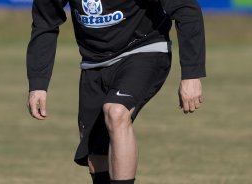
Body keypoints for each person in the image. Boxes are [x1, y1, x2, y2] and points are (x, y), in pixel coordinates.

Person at [26, 0, 206, 183]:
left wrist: (191, 74)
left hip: (143, 49)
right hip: (93, 62)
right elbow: (45, 22)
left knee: (116, 111)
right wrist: (38, 84)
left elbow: (186, 8)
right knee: (97, 155)